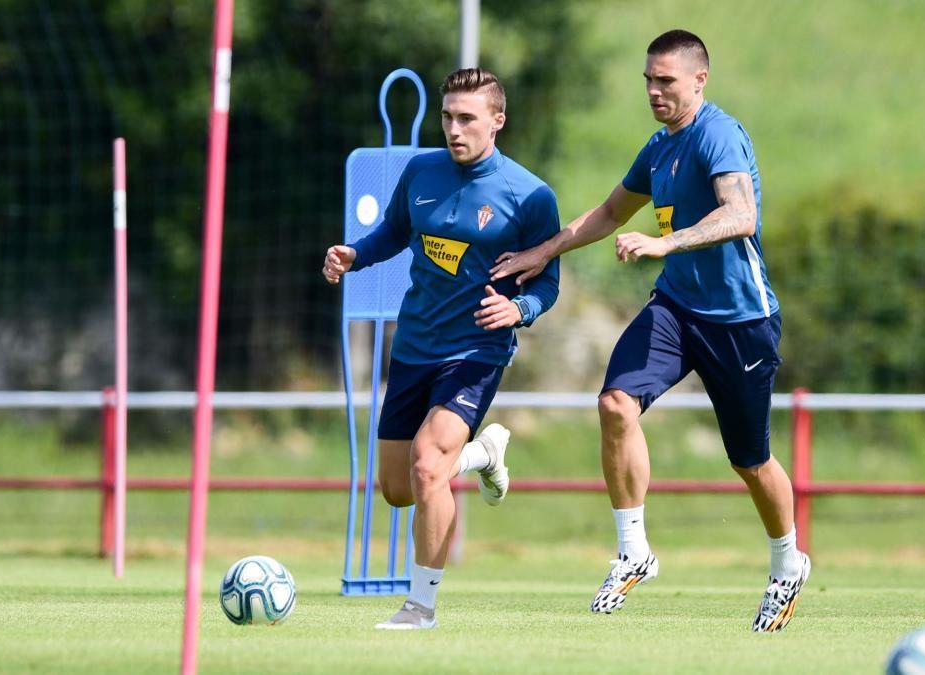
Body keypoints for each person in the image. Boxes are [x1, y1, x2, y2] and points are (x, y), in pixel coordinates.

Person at [490, 29, 808, 632]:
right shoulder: (658, 149)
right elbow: (611, 213)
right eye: (648, 80)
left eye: (666, 80)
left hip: (741, 321)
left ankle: (787, 562)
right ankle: (634, 549)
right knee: (615, 404)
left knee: (750, 460)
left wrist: (664, 242)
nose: (655, 91)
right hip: (676, 309)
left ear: (699, 80)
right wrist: (546, 249)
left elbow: (741, 216)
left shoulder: (718, 134)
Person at [322, 67, 560, 630]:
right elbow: (391, 233)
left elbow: (547, 283)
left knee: (429, 467)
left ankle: (419, 606)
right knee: (398, 490)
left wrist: (519, 310)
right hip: (415, 343)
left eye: (467, 118)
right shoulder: (421, 170)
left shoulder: (530, 195)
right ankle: (482, 456)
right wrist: (356, 255)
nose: (454, 129)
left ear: (497, 121)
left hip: (477, 350)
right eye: (448, 117)